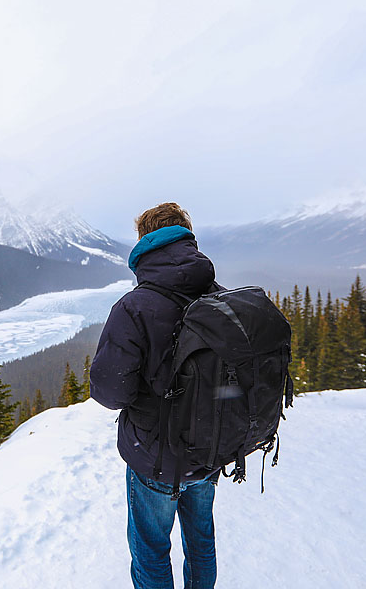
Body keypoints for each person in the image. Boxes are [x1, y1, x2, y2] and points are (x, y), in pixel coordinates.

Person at [90, 202, 223, 589]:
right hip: (210, 450)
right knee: (201, 543)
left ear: (144, 243)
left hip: (155, 457)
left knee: (151, 550)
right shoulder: (220, 298)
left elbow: (110, 392)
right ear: (187, 236)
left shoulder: (134, 307)